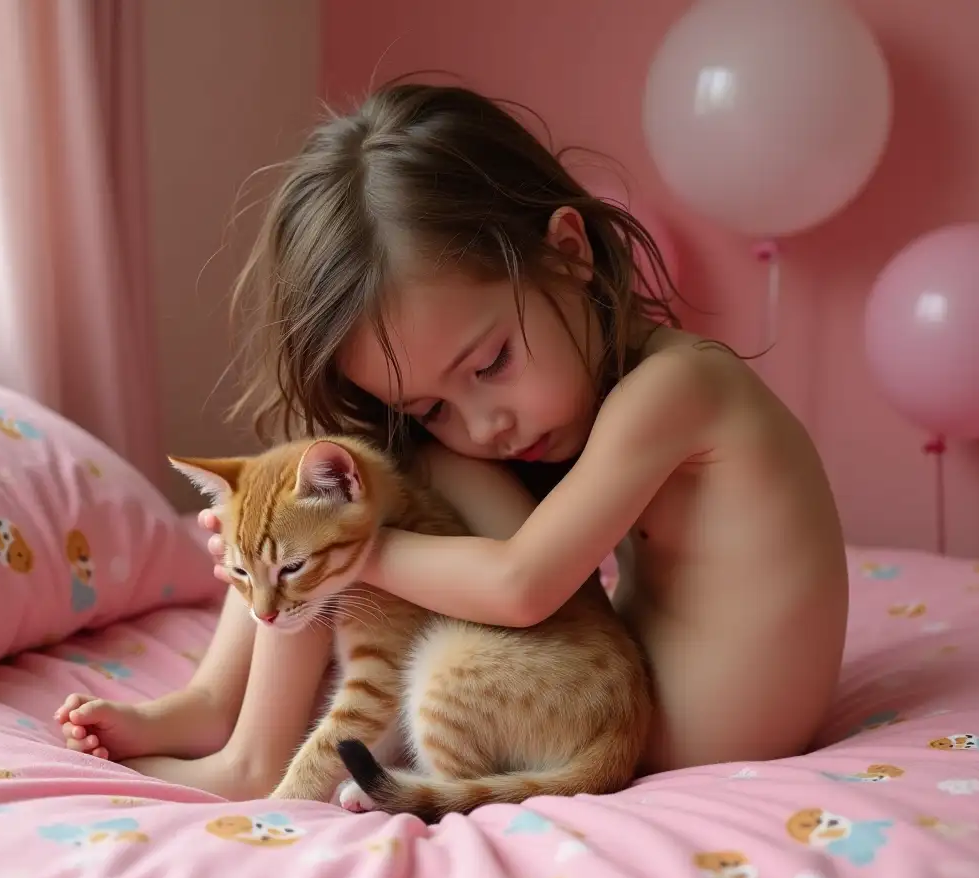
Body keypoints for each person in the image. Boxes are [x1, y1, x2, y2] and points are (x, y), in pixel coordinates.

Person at [54, 82, 849, 800]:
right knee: (335, 475)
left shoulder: (680, 388)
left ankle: (253, 764)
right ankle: (215, 705)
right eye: (432, 405)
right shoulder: (570, 404)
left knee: (346, 512)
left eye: (491, 363)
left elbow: (523, 585)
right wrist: (275, 539)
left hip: (677, 734)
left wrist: (345, 547)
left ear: (568, 252)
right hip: (608, 690)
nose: (480, 423)